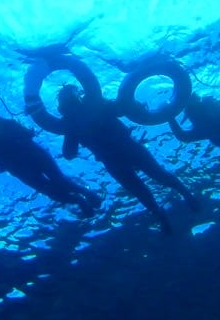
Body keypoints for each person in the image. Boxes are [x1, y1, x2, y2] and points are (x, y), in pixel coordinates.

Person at [0, 79, 102, 216]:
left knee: (56, 184)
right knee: (52, 188)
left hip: (25, 155)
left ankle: (85, 195)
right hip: (20, 161)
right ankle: (81, 198)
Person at [57, 84, 200, 234]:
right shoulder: (78, 118)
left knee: (152, 179)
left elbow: (69, 153)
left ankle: (177, 201)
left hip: (120, 152)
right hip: (120, 153)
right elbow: (69, 153)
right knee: (148, 182)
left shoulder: (92, 107)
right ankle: (169, 208)